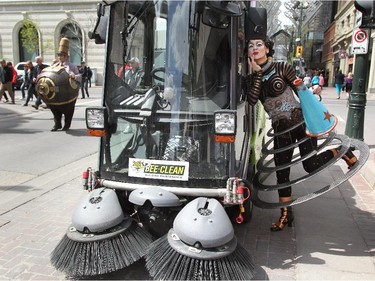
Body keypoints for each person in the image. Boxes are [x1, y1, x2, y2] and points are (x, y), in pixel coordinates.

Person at [246, 35, 358, 232]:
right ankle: (285, 215)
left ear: (268, 49)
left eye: (259, 45)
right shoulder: (250, 78)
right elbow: (253, 100)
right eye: (250, 46)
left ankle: (341, 152)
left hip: (300, 123)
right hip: (281, 129)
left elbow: (301, 92)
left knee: (310, 165)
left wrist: (315, 114)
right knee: (282, 173)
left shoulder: (282, 67)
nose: (254, 48)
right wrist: (256, 74)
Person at [47, 38, 81, 131]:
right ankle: (57, 124)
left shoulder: (72, 66)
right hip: (57, 92)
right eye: (59, 55)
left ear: (66, 56)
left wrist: (74, 76)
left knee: (68, 110)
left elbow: (80, 77)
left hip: (69, 92)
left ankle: (67, 125)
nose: (60, 57)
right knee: (54, 107)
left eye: (61, 55)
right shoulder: (54, 66)